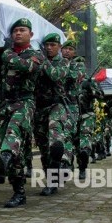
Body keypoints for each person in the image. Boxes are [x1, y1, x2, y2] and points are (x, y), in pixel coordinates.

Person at [0, 18, 45, 208]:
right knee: (16, 153)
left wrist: (6, 53)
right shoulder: (5, 53)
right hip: (3, 104)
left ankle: (3, 157)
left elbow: (26, 67)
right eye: (14, 31)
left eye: (22, 30)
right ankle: (19, 192)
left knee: (13, 132)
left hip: (24, 102)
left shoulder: (36, 55)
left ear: (31, 34)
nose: (17, 34)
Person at [32, 33, 70, 196]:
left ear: (59, 47)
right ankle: (52, 180)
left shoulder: (63, 62)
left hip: (56, 105)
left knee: (55, 141)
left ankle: (59, 163)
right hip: (39, 108)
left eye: (53, 45)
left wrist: (42, 60)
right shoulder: (38, 61)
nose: (49, 48)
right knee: (43, 146)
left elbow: (55, 75)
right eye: (46, 45)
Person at [61, 40, 86, 175]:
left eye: (70, 49)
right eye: (65, 49)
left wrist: (61, 70)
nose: (67, 51)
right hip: (58, 105)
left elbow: (73, 76)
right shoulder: (56, 63)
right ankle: (66, 162)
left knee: (72, 136)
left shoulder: (78, 65)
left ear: (74, 52)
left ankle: (80, 166)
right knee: (65, 134)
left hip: (71, 105)